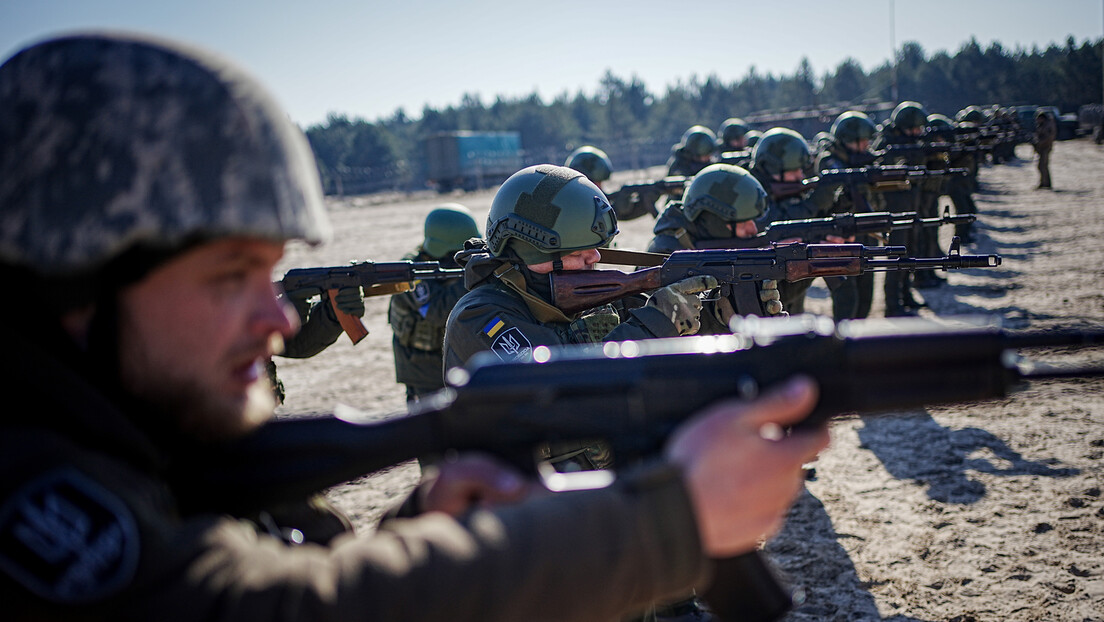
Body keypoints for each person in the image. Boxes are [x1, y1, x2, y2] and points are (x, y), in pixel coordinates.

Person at [0, 33, 829, 621]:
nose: (277, 315)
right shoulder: (31, 488)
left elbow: (279, 565)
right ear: (67, 281)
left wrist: (413, 522)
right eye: (227, 277)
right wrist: (662, 527)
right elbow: (257, 610)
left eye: (270, 269)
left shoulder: (141, 440)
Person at [647, 163, 782, 326]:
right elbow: (660, 330)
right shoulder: (663, 257)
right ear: (713, 221)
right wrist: (717, 315)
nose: (753, 229)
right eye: (742, 222)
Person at [388, 204, 479, 403]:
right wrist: (472, 277)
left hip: (449, 363)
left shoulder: (446, 263)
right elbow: (437, 312)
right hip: (422, 367)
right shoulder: (411, 272)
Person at [748, 127, 840, 314]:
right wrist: (813, 204)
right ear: (773, 169)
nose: (800, 176)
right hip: (762, 289)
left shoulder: (788, 189)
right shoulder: (750, 193)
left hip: (791, 284)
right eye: (793, 171)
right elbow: (778, 228)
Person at [813, 111, 881, 320]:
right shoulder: (830, 161)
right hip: (838, 237)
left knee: (865, 296)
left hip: (863, 233)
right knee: (847, 297)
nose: (865, 147)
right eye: (860, 143)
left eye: (866, 142)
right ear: (846, 141)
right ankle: (840, 345)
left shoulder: (862, 161)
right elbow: (835, 195)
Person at [872, 102, 928, 316]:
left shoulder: (914, 142)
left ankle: (906, 295)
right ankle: (892, 304)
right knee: (897, 255)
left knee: (911, 252)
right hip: (894, 208)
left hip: (910, 205)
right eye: (915, 128)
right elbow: (879, 166)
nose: (918, 133)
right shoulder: (887, 144)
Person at [1033, 107, 1057, 189]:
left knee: (1043, 166)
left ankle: (1046, 183)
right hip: (1042, 148)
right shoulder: (1042, 125)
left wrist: (1040, 142)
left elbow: (1049, 137)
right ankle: (1043, 182)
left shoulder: (1048, 125)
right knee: (1041, 166)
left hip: (1046, 147)